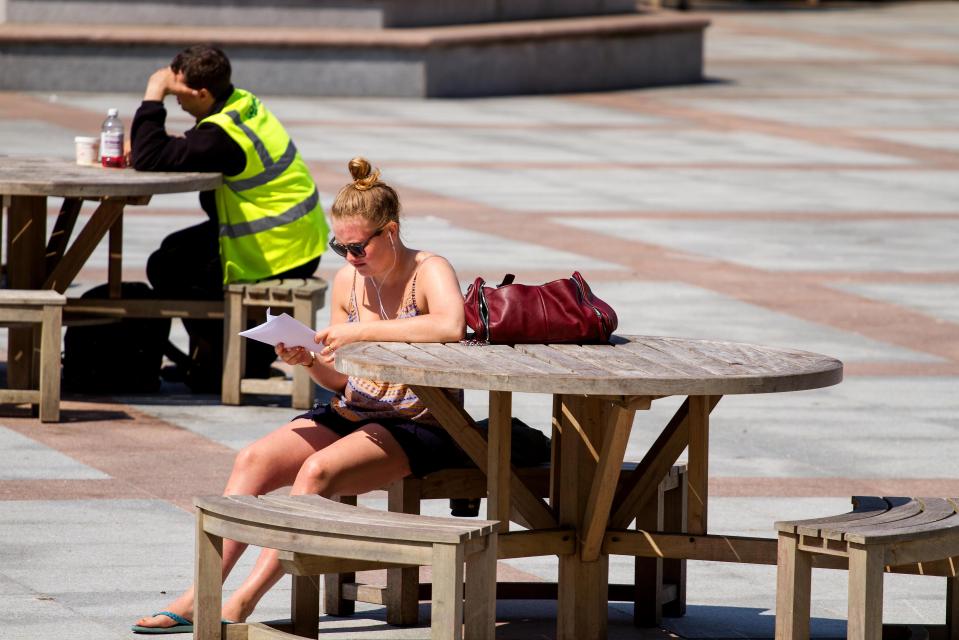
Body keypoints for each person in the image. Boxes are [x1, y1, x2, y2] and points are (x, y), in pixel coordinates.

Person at [132, 157, 468, 633]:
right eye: (340, 246)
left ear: (390, 231)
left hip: (421, 422)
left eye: (358, 247)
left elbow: (451, 325)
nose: (350, 257)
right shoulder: (349, 279)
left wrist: (361, 335)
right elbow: (342, 381)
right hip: (357, 409)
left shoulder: (428, 269)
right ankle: (199, 593)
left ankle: (245, 601)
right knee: (252, 459)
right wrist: (311, 359)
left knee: (317, 471)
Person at [131, 44, 329, 392]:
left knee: (169, 267)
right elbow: (176, 148)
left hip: (278, 247)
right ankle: (223, 357)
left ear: (203, 93)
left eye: (176, 92)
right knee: (173, 252)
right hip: (297, 236)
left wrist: (152, 95)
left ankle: (221, 363)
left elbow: (149, 157)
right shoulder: (240, 102)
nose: (174, 98)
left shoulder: (223, 136)